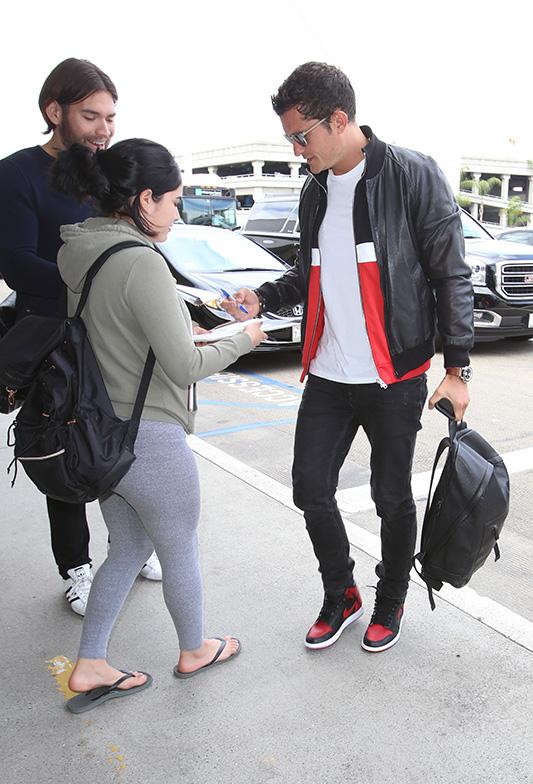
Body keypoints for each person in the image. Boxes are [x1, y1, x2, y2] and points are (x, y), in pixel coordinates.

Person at [222, 62, 474, 654]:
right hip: (330, 373)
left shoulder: (413, 175)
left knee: (391, 497)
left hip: (397, 373)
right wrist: (265, 296)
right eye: (289, 138)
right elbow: (313, 274)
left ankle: (390, 598)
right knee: (309, 488)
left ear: (339, 120)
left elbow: (450, 275)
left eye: (300, 136)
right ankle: (342, 593)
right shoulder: (314, 192)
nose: (295, 149)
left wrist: (458, 369)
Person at [52, 138, 266, 710]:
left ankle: (91, 662)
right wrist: (245, 340)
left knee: (125, 550)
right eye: (172, 200)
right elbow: (183, 364)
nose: (177, 212)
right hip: (150, 435)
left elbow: (124, 335)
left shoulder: (84, 252)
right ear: (144, 199)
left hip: (102, 433)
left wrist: (193, 332)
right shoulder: (141, 261)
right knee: (180, 548)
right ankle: (195, 649)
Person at [0, 58, 162, 616]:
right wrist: (93, 279)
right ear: (55, 112)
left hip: (112, 334)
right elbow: (16, 264)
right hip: (53, 339)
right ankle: (76, 567)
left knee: (126, 439)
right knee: (63, 447)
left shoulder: (105, 172)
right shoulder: (16, 174)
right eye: (91, 116)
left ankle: (130, 546)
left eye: (111, 117)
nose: (104, 129)